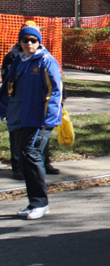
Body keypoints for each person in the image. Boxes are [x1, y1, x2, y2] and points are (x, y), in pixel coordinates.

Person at [0, 24, 62, 219]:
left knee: (31, 154)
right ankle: (33, 202)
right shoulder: (18, 61)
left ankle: (40, 203)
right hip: (19, 116)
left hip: (38, 118)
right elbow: (8, 89)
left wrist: (49, 120)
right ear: (20, 42)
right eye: (25, 40)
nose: (29, 43)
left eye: (33, 40)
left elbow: (55, 91)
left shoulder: (45, 61)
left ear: (39, 42)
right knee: (23, 158)